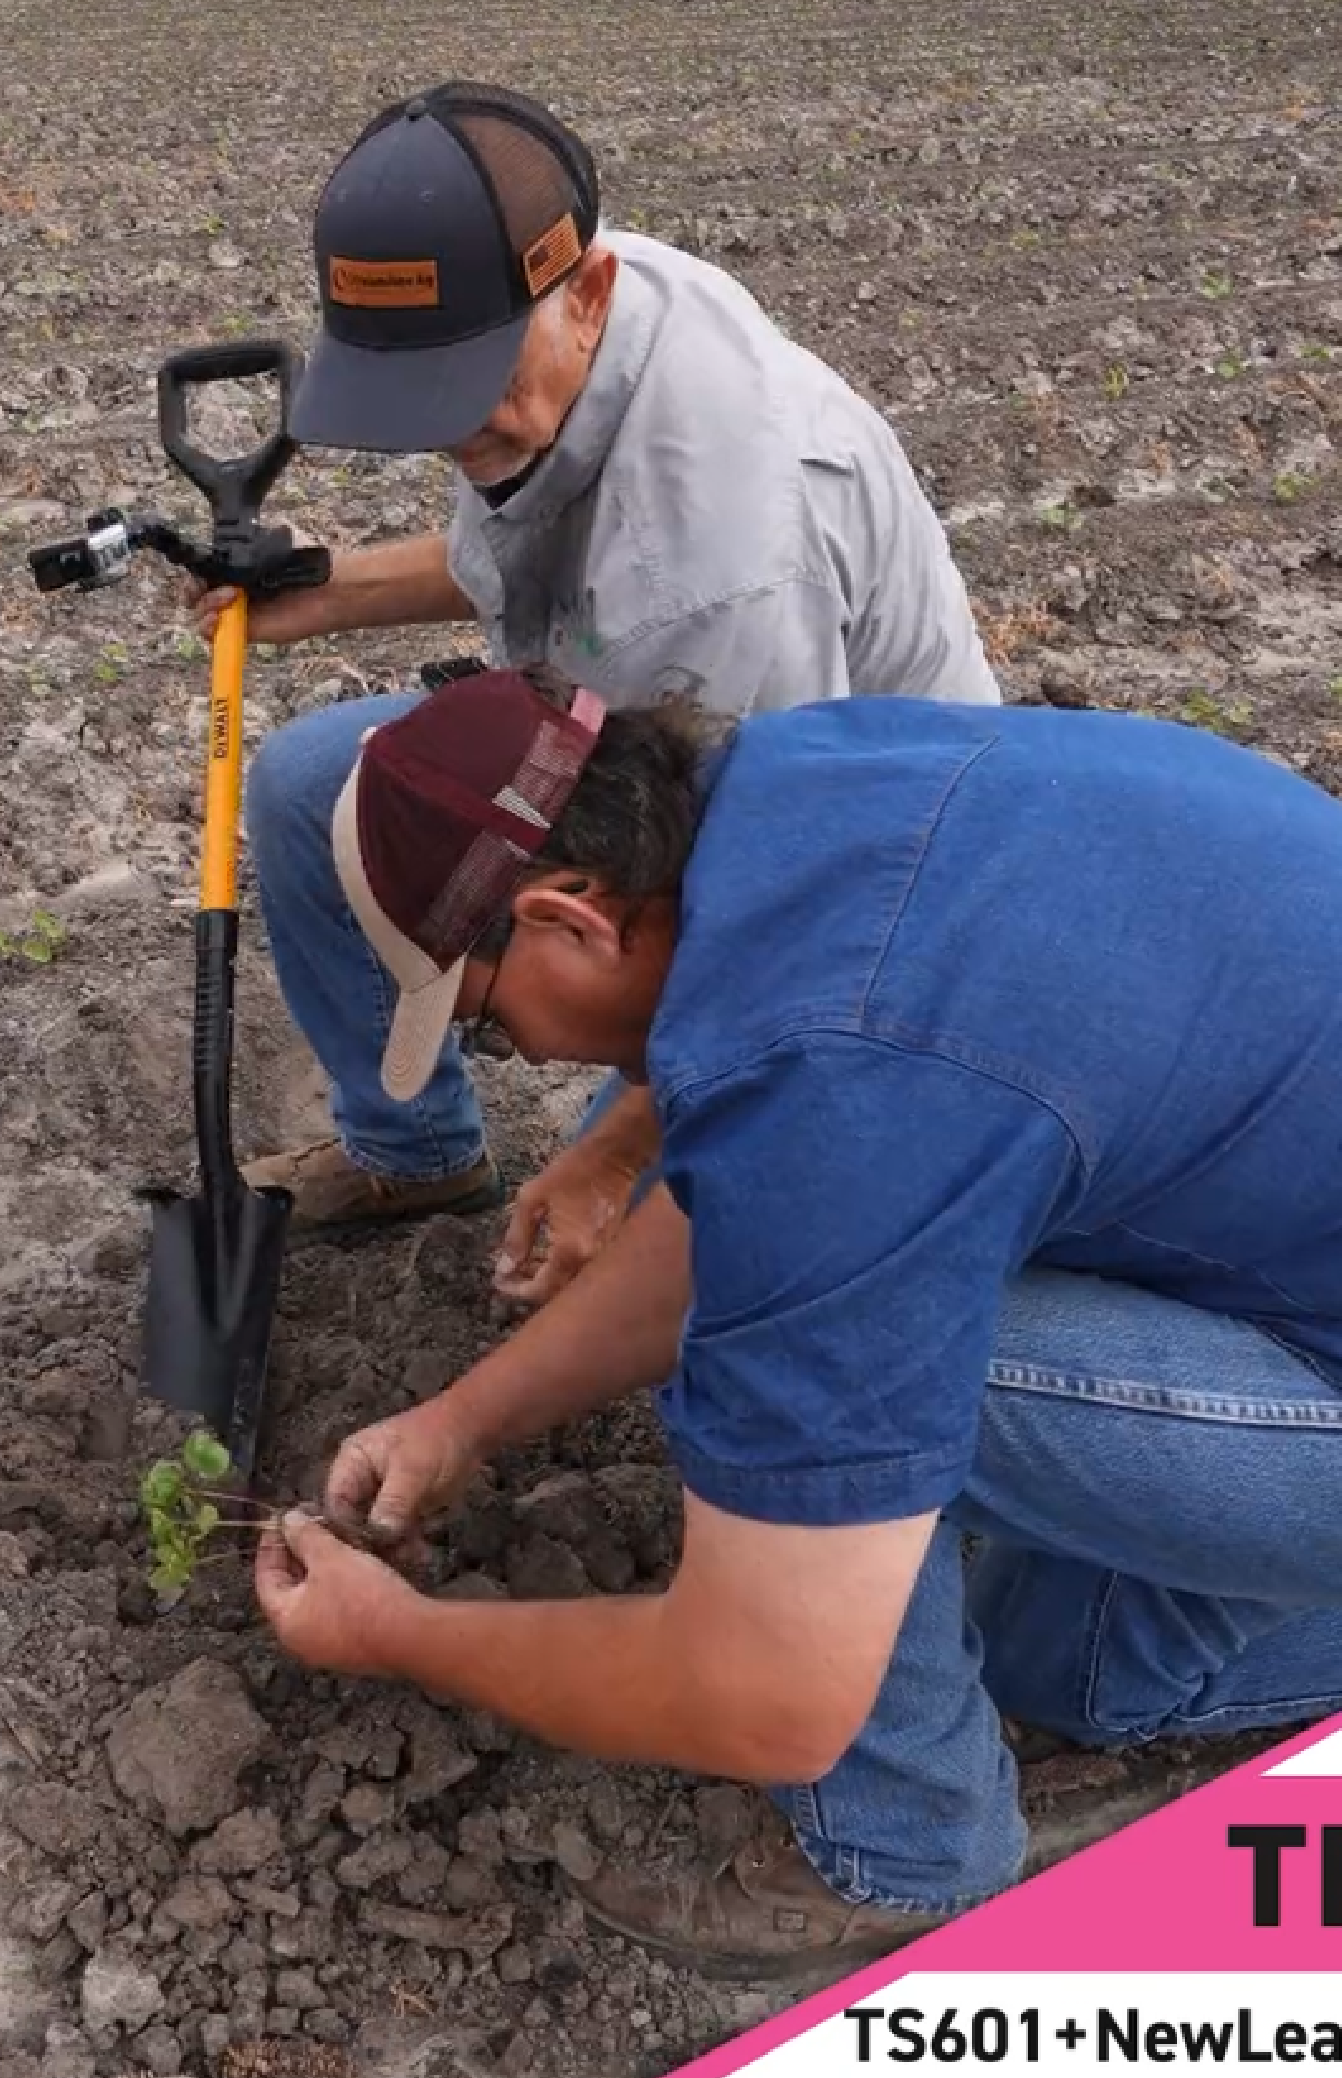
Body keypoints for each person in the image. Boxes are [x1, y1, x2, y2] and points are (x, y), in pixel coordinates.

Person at [244, 665, 1342, 1978]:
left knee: (781, 1389)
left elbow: (762, 1692)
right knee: (1056, 1659)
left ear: (575, 918)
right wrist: (466, 1416)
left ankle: (909, 1858)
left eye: (488, 1021)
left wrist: (409, 1640)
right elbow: (767, 1185)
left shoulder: (846, 1084)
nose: (517, 1059)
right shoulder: (814, 792)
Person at [201, 81, 1004, 1307]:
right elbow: (549, 569)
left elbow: (768, 918)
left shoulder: (720, 569)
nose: (447, 429)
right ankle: (415, 1157)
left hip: (861, 859)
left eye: (465, 384)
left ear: (587, 297)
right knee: (323, 783)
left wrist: (615, 1153)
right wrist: (325, 590)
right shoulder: (564, 320)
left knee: (654, 1223)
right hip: (639, 725)